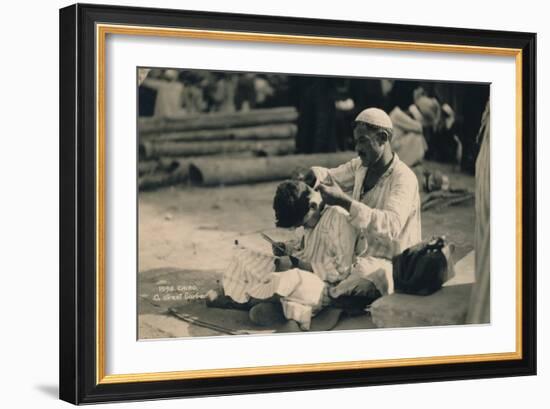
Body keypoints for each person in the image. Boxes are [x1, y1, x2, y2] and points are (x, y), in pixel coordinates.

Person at [208, 179, 379, 330]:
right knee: (246, 256)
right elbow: (302, 247)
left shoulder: (339, 217)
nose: (303, 227)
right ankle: (266, 303)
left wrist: (297, 264)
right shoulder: (310, 216)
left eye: (302, 223)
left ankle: (245, 301)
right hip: (300, 274)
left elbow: (341, 271)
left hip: (325, 287)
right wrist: (286, 249)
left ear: (313, 206)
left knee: (287, 278)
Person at [310, 107, 422, 297]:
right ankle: (329, 294)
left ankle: (327, 297)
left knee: (365, 281)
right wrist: (310, 176)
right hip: (360, 256)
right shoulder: (361, 166)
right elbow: (330, 177)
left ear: (383, 138)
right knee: (326, 252)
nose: (357, 149)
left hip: (391, 261)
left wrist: (345, 202)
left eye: (363, 141)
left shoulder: (404, 178)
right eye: (356, 141)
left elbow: (391, 226)